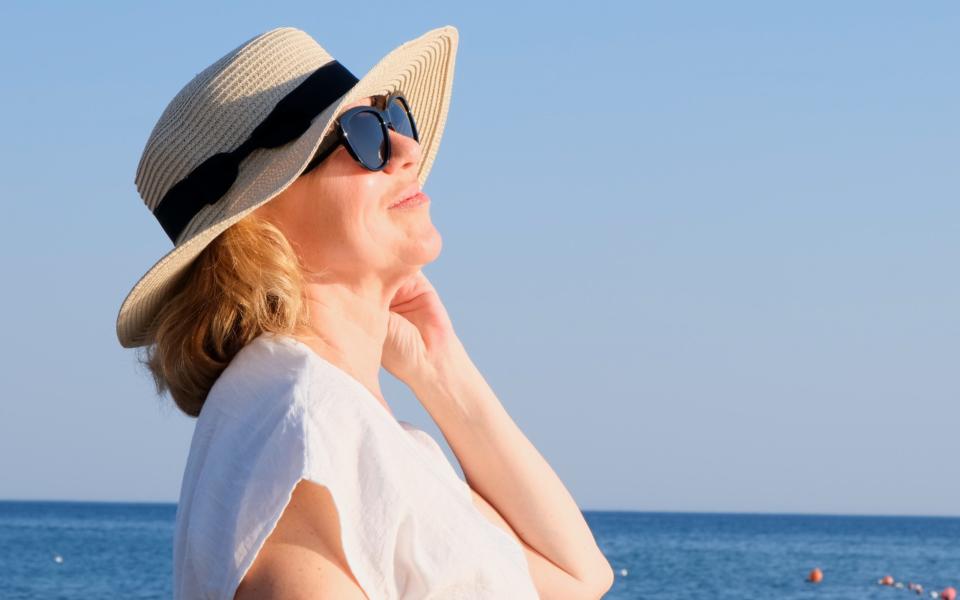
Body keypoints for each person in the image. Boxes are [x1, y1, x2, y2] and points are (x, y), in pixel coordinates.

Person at [116, 24, 614, 600]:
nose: (408, 150)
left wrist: (440, 369)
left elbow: (580, 577)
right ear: (258, 222)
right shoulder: (303, 431)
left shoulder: (337, 422)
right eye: (361, 134)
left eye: (394, 117)